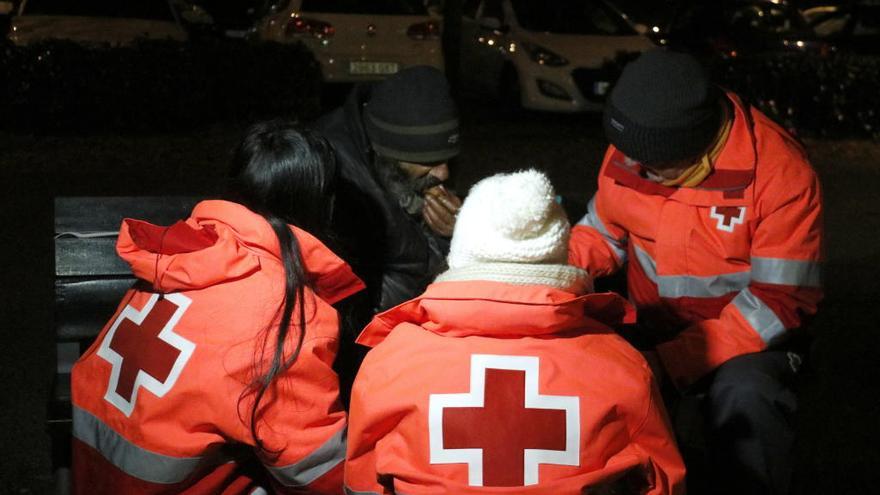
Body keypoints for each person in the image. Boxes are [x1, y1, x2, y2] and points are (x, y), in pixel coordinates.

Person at [568, 49, 824, 495]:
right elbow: (601, 235)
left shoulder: (781, 175)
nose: (637, 170)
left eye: (655, 168)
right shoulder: (637, 146)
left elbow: (781, 303)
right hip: (650, 327)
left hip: (750, 343)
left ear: (698, 144)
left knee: (746, 398)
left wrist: (671, 362)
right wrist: (543, 275)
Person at [345, 170, 686, 495]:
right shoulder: (620, 364)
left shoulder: (390, 362)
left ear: (460, 255)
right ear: (559, 260)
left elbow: (363, 479)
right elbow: (661, 480)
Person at [70, 121, 365, 494]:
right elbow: (317, 474)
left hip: (96, 477)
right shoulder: (285, 314)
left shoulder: (186, 254)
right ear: (321, 203)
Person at [314, 65, 463, 315]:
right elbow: (372, 305)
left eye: (448, 158)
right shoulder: (333, 181)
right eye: (428, 161)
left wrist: (457, 233)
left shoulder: (395, 169)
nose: (443, 173)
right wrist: (448, 244)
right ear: (388, 155)